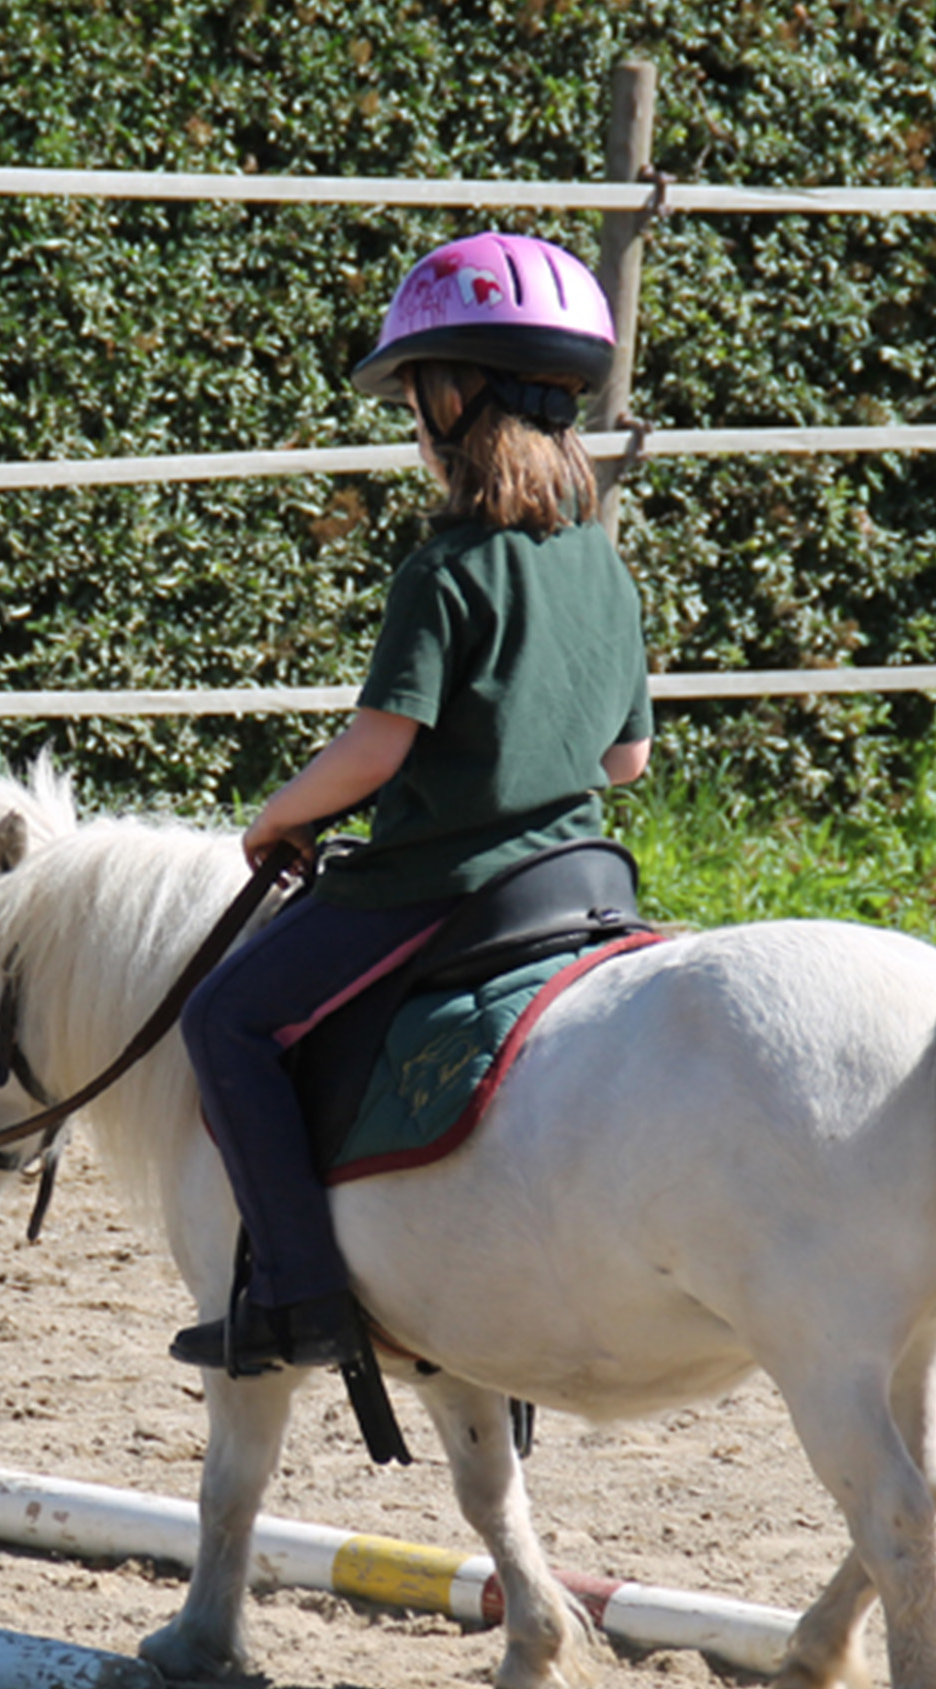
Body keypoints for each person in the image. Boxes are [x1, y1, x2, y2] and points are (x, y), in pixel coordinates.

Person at [171, 231, 652, 1377]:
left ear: (449, 399)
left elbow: (377, 750)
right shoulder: (605, 565)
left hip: (439, 885)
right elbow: (626, 763)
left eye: (415, 397)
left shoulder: (443, 571)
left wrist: (276, 819)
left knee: (223, 1025)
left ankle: (297, 1296)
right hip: (579, 877)